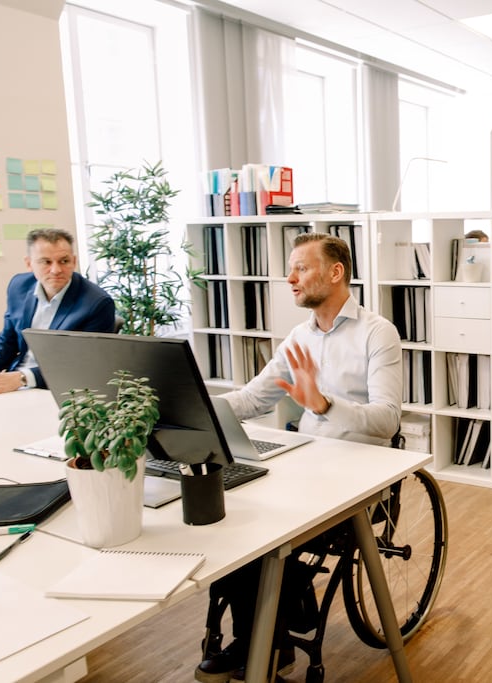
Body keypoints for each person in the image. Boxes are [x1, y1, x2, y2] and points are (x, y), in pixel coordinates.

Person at [195, 232, 402, 682]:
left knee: (268, 535)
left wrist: (323, 404)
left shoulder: (377, 332)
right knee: (234, 519)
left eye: (301, 269)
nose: (290, 279)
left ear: (335, 272)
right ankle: (268, 638)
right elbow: (253, 399)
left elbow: (387, 420)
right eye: (291, 270)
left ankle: (266, 642)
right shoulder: (298, 337)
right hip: (308, 465)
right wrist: (193, 405)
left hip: (360, 473)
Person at [0, 228, 116, 396]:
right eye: (46, 262)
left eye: (64, 261)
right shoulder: (18, 286)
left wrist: (21, 378)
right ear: (29, 264)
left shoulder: (97, 303)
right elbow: (8, 340)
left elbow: (83, 363)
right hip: (14, 383)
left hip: (58, 390)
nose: (56, 270)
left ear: (74, 261)